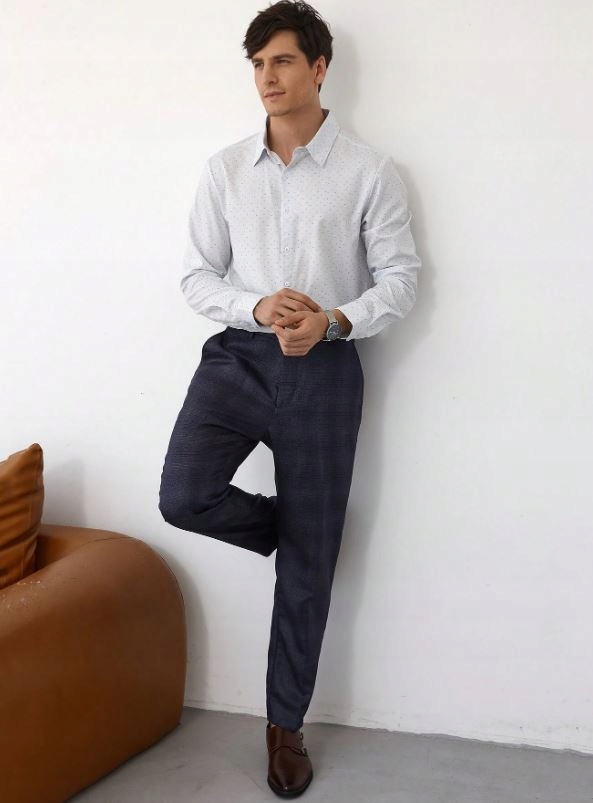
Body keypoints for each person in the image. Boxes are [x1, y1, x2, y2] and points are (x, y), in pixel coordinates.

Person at [159, 0, 421, 797]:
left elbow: (400, 281)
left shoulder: (369, 171)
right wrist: (256, 305)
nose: (266, 78)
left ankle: (284, 728)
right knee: (183, 496)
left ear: (318, 67)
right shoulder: (225, 169)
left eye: (280, 61)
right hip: (237, 360)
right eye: (257, 64)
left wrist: (332, 319)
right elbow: (196, 277)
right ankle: (299, 530)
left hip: (325, 369)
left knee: (306, 571)